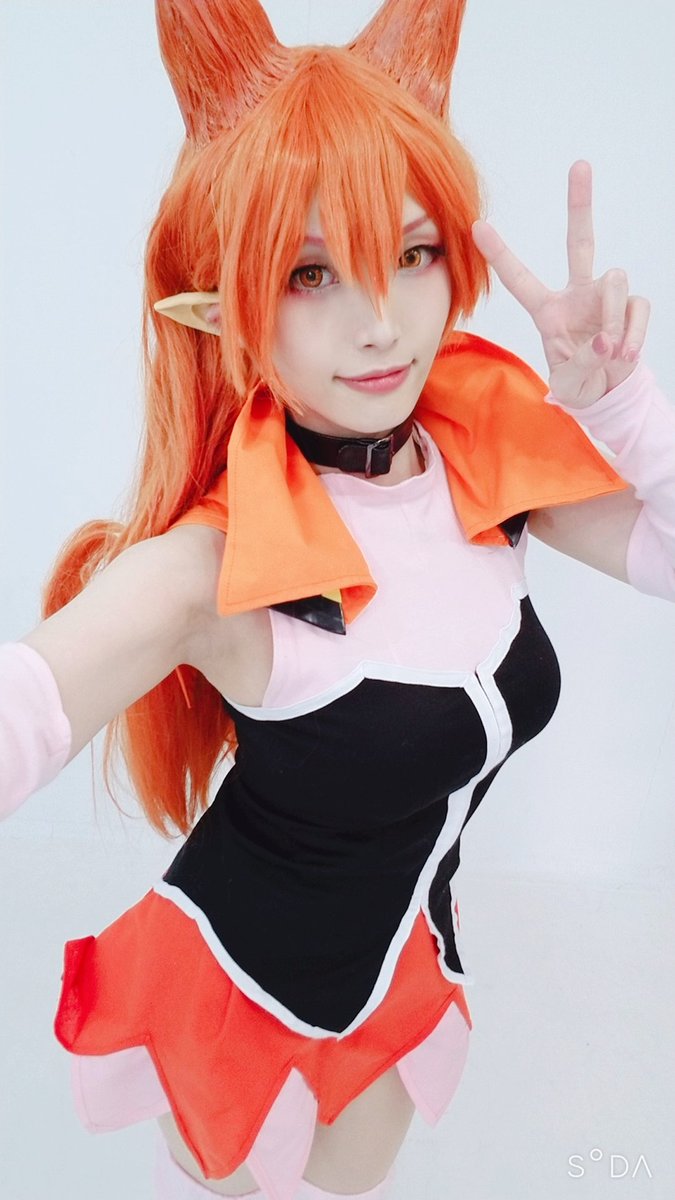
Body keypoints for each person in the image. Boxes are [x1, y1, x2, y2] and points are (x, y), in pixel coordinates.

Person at [1, 0, 674, 1197]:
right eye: (311, 272)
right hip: (239, 996)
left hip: (405, 964)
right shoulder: (217, 565)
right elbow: (28, 711)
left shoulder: (480, 454)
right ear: (224, 305)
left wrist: (624, 411)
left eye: (413, 254)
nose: (379, 324)